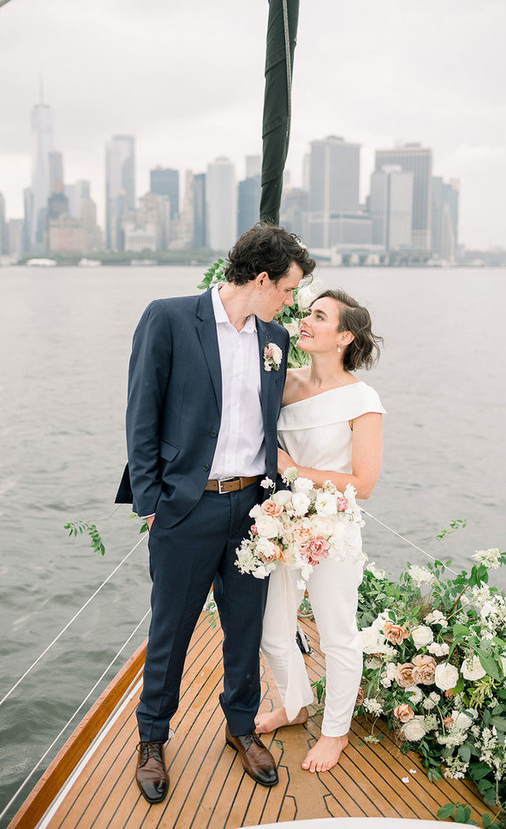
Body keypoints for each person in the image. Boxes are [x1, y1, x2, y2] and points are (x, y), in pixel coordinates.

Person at [116, 223, 315, 804]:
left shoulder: (273, 338)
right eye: (287, 289)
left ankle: (240, 726)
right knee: (170, 628)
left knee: (245, 627)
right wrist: (153, 503)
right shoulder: (170, 318)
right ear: (261, 279)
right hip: (187, 506)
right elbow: (141, 414)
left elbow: (271, 419)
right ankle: (152, 738)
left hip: (254, 508)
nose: (289, 302)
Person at [255, 289, 385, 774]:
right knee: (271, 630)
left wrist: (296, 469)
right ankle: (295, 705)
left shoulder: (362, 399)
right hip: (284, 524)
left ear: (344, 336)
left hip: (334, 528)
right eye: (307, 312)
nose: (304, 321)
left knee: (336, 634)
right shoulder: (283, 384)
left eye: (319, 316)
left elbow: (364, 484)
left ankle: (335, 733)